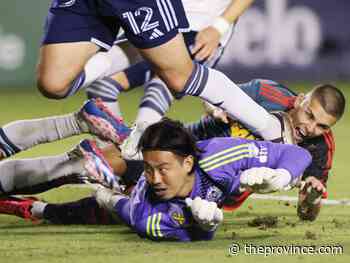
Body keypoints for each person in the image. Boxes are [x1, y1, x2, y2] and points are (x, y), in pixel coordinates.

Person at [0, 119, 312, 241]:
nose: (156, 179)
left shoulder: (220, 156)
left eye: (162, 169)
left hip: (168, 177)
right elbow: (157, 221)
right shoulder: (146, 203)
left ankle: (34, 210)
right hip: (129, 196)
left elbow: (296, 155)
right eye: (152, 170)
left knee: (100, 206)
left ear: (189, 162)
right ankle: (88, 166)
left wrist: (280, 176)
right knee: (105, 197)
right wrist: (203, 224)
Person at [37, 0, 284, 143]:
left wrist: (219, 26)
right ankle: (125, 151)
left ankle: (272, 130)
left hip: (196, 23)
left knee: (175, 78)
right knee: (54, 84)